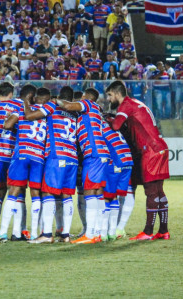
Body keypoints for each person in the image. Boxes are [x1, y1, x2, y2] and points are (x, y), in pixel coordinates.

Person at [105, 81, 170, 241]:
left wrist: (105, 118)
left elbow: (116, 126)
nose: (108, 99)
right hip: (160, 147)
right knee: (159, 192)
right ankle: (163, 230)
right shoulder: (137, 103)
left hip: (150, 151)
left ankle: (148, 232)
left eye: (109, 95)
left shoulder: (125, 105)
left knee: (151, 192)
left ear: (116, 93)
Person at [20, 86, 78, 244]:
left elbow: (30, 116)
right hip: (72, 157)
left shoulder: (53, 105)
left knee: (47, 193)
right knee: (67, 195)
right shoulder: (75, 112)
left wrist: (26, 103)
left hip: (56, 155)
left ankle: (46, 234)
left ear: (59, 96)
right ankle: (65, 234)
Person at [58, 88, 111, 244]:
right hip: (100, 154)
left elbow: (67, 106)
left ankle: (90, 234)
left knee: (89, 192)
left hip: (94, 154)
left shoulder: (87, 104)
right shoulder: (95, 111)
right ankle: (99, 232)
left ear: (86, 97)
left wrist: (55, 101)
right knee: (97, 192)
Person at [0, 84, 40, 243]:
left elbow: (6, 125)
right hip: (35, 156)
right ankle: (22, 232)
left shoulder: (16, 108)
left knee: (10, 191)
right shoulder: (42, 111)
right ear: (32, 96)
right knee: (28, 194)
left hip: (15, 154)